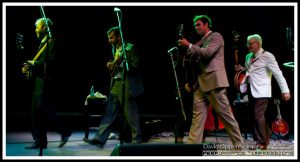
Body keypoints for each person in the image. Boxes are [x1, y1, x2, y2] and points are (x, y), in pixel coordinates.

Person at [178, 15, 243, 148]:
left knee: (226, 117)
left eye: (199, 24)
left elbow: (207, 53)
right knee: (197, 119)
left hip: (214, 83)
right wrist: (185, 52)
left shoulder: (216, 37)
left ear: (206, 24)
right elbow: (190, 59)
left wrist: (189, 45)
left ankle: (238, 146)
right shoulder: (199, 41)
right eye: (195, 25)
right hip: (200, 84)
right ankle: (192, 148)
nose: (196, 27)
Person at [84, 26, 144, 148]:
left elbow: (136, 66)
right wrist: (112, 66)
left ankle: (136, 141)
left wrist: (122, 62)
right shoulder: (115, 49)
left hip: (127, 84)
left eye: (111, 37)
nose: (109, 40)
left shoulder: (129, 48)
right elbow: (116, 69)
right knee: (109, 112)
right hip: (116, 84)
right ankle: (100, 139)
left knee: (130, 114)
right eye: (109, 38)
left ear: (118, 36)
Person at [22, 18, 72, 149]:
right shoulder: (43, 43)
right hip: (40, 81)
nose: (35, 30)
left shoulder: (53, 42)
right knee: (40, 112)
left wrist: (34, 64)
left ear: (44, 28)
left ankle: (58, 133)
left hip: (46, 82)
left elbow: (51, 63)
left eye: (37, 27)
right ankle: (44, 139)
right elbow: (42, 63)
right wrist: (29, 68)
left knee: (41, 112)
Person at [235, 34, 291, 150]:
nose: (248, 46)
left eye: (251, 43)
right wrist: (242, 69)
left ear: (258, 44)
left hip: (262, 91)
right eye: (248, 43)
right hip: (251, 89)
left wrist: (285, 91)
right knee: (255, 116)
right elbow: (250, 70)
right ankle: (266, 135)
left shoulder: (268, 56)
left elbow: (278, 73)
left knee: (258, 115)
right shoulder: (248, 56)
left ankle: (262, 142)